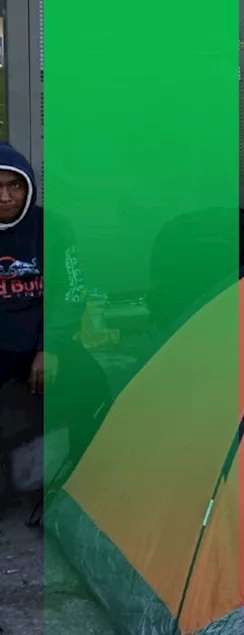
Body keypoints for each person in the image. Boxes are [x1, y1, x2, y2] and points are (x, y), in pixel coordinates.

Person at [0, 143, 107, 510]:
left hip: (41, 342)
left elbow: (71, 293)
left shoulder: (53, 226)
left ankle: (79, 481)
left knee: (94, 388)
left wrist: (52, 347)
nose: (6, 196)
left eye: (15, 186)